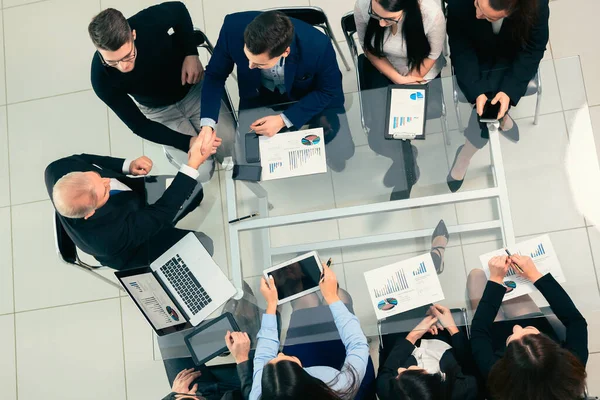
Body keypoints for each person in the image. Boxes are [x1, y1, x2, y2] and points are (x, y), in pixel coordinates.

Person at [88, 2, 232, 183]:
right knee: (201, 172)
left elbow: (179, 9)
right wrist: (186, 142)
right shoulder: (101, 79)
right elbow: (139, 125)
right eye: (112, 62)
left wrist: (191, 53)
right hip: (159, 112)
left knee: (231, 152)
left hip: (194, 88)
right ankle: (172, 151)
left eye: (127, 56)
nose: (123, 66)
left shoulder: (148, 22)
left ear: (133, 35)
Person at [199, 10, 354, 171]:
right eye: (248, 58)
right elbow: (214, 76)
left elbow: (329, 91)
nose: (250, 66)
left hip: (306, 96)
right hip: (258, 93)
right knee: (248, 163)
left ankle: (332, 155)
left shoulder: (318, 45)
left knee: (343, 149)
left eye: (259, 64)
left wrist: (283, 119)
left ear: (285, 52)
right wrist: (207, 125)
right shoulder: (232, 28)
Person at [44, 129, 220, 270]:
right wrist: (193, 164)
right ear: (89, 213)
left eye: (97, 176)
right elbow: (162, 213)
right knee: (202, 246)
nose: (107, 181)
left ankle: (182, 208)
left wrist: (127, 165)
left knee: (194, 191)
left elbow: (85, 159)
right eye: (104, 190)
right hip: (135, 247)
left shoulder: (56, 169)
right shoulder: (108, 238)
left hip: (132, 197)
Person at [446, 0, 550, 192]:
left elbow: (534, 48)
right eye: (477, 4)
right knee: (487, 111)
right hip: (477, 54)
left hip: (511, 55)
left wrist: (508, 92)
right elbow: (460, 49)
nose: (477, 14)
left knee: (487, 112)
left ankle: (465, 155)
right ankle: (499, 121)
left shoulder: (536, 4)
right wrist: (476, 91)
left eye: (487, 16)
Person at [353, 0, 446, 200]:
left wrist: (408, 82)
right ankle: (406, 160)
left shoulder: (431, 14)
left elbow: (433, 54)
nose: (380, 24)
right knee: (377, 139)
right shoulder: (363, 5)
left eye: (389, 19)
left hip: (419, 69)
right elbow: (368, 48)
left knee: (399, 125)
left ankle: (405, 168)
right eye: (375, 15)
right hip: (383, 67)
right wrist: (398, 80)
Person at [468, 255, 588, 400]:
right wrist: (534, 275)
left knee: (476, 276)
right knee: (506, 283)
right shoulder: (571, 368)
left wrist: (495, 280)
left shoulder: (497, 377)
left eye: (512, 340)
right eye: (532, 333)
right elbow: (576, 322)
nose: (517, 327)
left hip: (494, 340)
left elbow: (479, 332)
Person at [250, 264, 370, 400]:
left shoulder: (260, 395)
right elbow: (358, 345)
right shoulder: (343, 388)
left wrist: (272, 304)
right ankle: (308, 284)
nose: (280, 353)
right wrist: (331, 297)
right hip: (336, 370)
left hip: (310, 362)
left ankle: (298, 288)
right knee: (340, 295)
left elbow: (262, 356)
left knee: (306, 300)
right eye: (282, 358)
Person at [376, 304, 480, 400]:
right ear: (432, 377)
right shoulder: (464, 390)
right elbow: (468, 363)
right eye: (404, 373)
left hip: (403, 340)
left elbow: (387, 370)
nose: (399, 369)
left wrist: (413, 335)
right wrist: (451, 327)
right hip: (444, 336)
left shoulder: (390, 392)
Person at [161, 331, 254, 400]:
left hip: (198, 392)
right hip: (245, 393)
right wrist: (242, 360)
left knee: (168, 336)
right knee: (251, 342)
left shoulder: (192, 395)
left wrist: (175, 396)